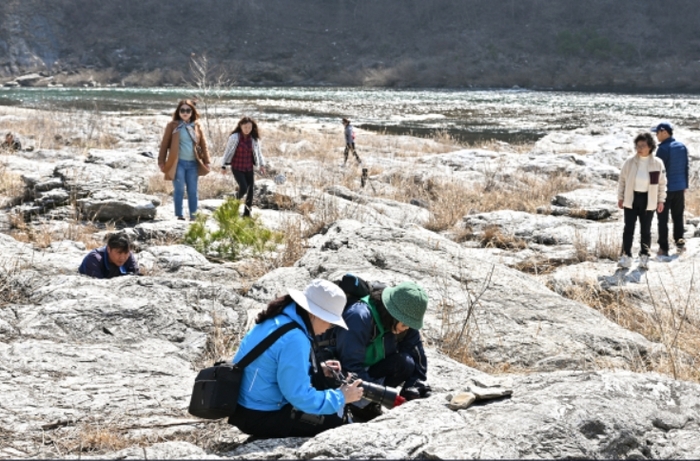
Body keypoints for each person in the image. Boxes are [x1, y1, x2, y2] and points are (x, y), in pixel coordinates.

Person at [227, 279, 364, 438]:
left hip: (243, 406)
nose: (329, 328)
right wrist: (342, 397)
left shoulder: (279, 318)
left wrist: (317, 368)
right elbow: (299, 396)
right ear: (314, 313)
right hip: (259, 415)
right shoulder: (295, 338)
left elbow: (272, 364)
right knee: (334, 425)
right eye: (330, 322)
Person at [330, 280, 430, 420]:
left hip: (370, 369)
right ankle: (355, 407)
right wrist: (383, 396)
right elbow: (350, 368)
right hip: (341, 374)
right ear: (393, 314)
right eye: (405, 324)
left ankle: (369, 405)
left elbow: (417, 356)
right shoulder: (359, 317)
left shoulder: (404, 320)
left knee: (405, 363)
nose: (407, 328)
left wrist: (413, 388)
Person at [617, 133, 667, 269]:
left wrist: (661, 201)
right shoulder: (629, 162)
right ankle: (626, 257)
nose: (639, 148)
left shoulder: (657, 163)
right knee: (628, 229)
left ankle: (644, 257)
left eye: (643, 145)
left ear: (650, 147)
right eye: (637, 145)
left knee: (645, 230)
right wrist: (620, 197)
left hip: (648, 200)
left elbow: (662, 184)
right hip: (631, 198)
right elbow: (622, 181)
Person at [158, 100, 211, 221]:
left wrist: (207, 161)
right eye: (182, 110)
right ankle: (179, 215)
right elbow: (164, 144)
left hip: (193, 163)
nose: (185, 113)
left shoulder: (196, 126)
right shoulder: (173, 125)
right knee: (179, 189)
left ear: (192, 112)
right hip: (178, 163)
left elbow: (203, 144)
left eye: (188, 110)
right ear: (178, 112)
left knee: (192, 190)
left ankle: (194, 216)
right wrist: (161, 161)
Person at [651, 122, 689, 256]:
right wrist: (685, 186)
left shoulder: (663, 149)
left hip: (666, 190)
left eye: (657, 132)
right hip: (679, 188)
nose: (656, 135)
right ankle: (680, 244)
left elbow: (658, 172)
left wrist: (653, 190)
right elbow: (686, 168)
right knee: (678, 216)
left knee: (662, 219)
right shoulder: (682, 146)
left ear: (664, 132)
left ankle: (664, 248)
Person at [221, 116, 266, 218]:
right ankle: (232, 202)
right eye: (245, 127)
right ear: (240, 126)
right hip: (237, 167)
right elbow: (227, 151)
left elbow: (259, 153)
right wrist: (223, 166)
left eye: (249, 127)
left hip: (249, 168)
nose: (247, 129)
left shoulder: (254, 139)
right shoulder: (234, 137)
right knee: (244, 188)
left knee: (251, 190)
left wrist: (262, 165)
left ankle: (247, 214)